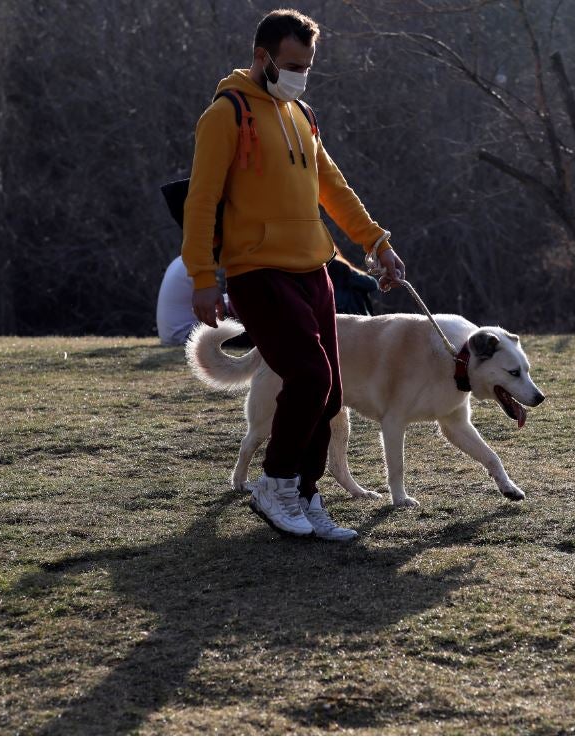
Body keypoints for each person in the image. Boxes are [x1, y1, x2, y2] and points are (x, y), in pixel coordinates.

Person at [180, 8, 406, 541]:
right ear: (262, 58)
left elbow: (334, 187)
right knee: (308, 376)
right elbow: (201, 201)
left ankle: (304, 494)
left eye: (307, 64)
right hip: (257, 271)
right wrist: (202, 276)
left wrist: (376, 241)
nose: (301, 73)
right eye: (291, 63)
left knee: (329, 391)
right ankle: (275, 485)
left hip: (314, 267)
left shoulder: (301, 114)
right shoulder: (226, 115)